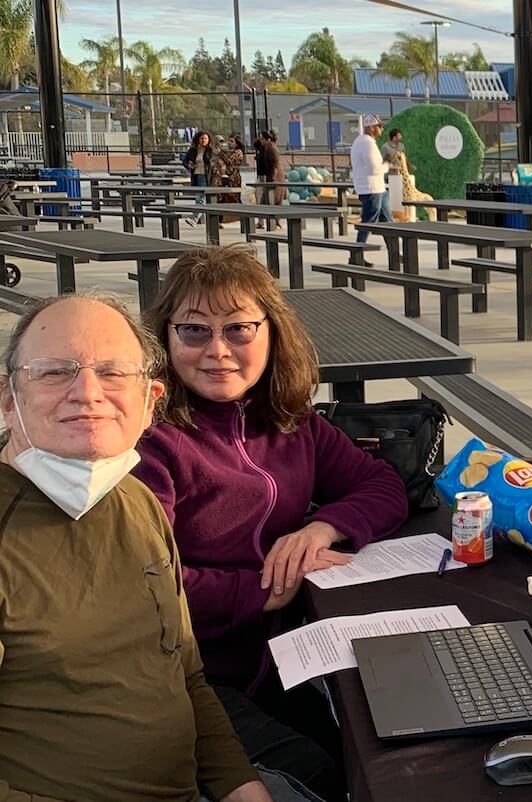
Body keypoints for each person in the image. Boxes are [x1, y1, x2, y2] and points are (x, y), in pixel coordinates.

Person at [133, 245, 410, 802]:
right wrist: (267, 590)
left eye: (238, 329)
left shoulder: (289, 420)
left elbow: (383, 486)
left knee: (386, 745)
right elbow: (150, 584)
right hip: (193, 674)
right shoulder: (151, 442)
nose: (217, 351)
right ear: (164, 339)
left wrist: (321, 528)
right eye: (193, 331)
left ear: (271, 332)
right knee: (324, 773)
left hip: (281, 658)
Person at [0, 294, 285, 802]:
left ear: (150, 401)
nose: (86, 393)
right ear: (8, 398)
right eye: (52, 372)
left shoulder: (135, 499)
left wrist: (240, 785)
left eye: (113, 373)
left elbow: (185, 675)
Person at [350, 114, 389, 261]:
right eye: (379, 126)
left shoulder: (360, 141)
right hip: (371, 189)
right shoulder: (368, 143)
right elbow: (374, 169)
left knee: (388, 223)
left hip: (377, 188)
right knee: (368, 222)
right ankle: (356, 255)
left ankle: (394, 252)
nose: (382, 129)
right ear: (372, 127)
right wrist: (387, 166)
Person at [183, 130, 217, 225]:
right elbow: (185, 161)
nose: (203, 140)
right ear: (198, 139)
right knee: (201, 198)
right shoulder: (193, 151)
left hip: (208, 176)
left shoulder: (211, 151)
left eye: (205, 138)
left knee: (201, 198)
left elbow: (215, 162)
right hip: (197, 175)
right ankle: (208, 220)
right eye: (202, 138)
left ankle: (195, 219)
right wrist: (189, 165)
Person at [254, 131, 281, 205]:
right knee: (265, 198)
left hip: (270, 178)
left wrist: (273, 178)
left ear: (268, 139)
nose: (261, 141)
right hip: (267, 176)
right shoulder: (265, 148)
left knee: (270, 198)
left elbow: (275, 164)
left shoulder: (271, 149)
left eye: (262, 139)